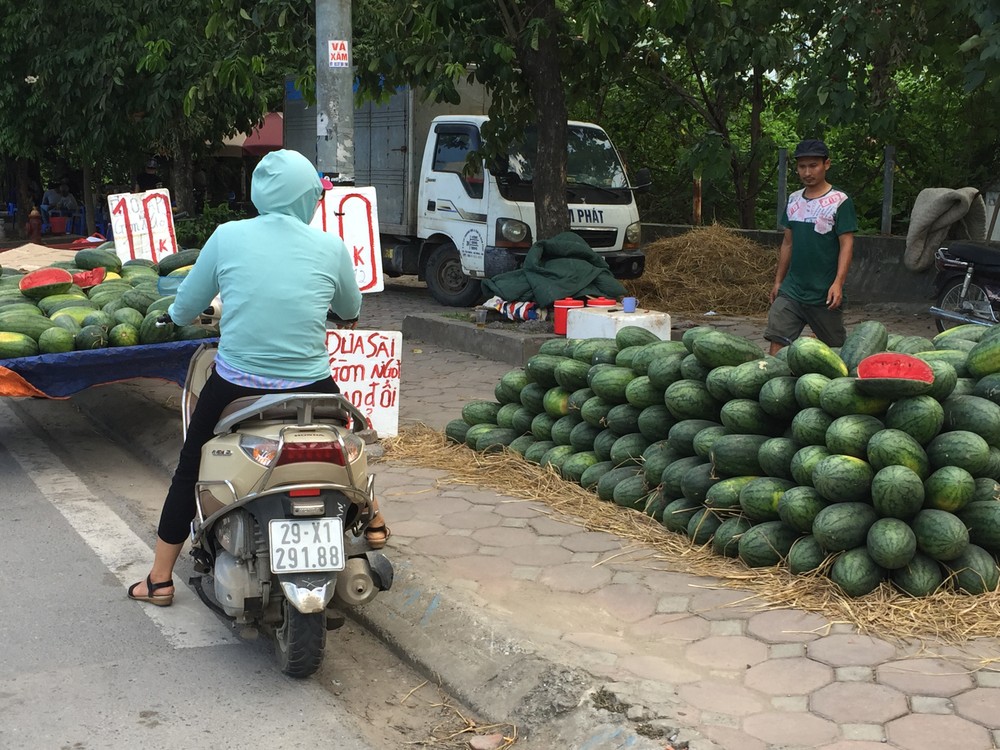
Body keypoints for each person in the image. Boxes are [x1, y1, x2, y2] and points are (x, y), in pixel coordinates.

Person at [127, 149, 387, 607]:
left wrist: (173, 315)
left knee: (191, 468)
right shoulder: (330, 246)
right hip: (314, 386)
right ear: (309, 196)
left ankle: (160, 580)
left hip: (236, 388)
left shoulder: (228, 237)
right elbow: (349, 310)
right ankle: (377, 522)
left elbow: (186, 307)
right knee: (350, 443)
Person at [765, 139, 857, 356]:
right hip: (792, 290)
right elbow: (788, 242)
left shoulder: (840, 201)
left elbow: (847, 244)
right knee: (777, 343)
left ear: (827, 164)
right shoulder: (794, 199)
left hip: (823, 294)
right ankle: (771, 383)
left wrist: (838, 283)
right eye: (802, 166)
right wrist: (779, 281)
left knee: (833, 354)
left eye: (813, 165)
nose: (807, 172)